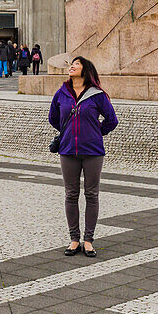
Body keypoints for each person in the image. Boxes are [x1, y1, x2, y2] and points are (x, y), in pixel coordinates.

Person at [49, 56, 119, 257]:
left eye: (77, 64)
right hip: (68, 150)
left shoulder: (97, 95)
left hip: (93, 151)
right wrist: (71, 131)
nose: (71, 66)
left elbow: (111, 120)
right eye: (71, 64)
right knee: (71, 195)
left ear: (86, 70)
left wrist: (95, 132)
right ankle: (74, 239)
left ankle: (88, 240)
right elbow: (53, 117)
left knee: (91, 194)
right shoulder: (61, 93)